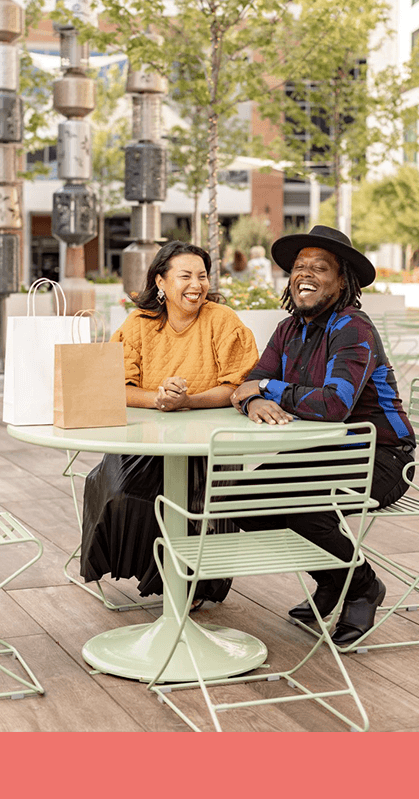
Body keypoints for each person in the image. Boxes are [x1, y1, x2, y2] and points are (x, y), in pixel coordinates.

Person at [230, 225, 416, 645]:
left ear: (342, 279)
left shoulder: (353, 327)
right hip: (325, 451)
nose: (304, 274)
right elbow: (250, 382)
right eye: (299, 267)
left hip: (382, 455)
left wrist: (269, 389)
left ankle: (362, 584)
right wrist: (253, 400)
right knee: (243, 502)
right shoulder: (288, 329)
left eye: (319, 268)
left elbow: (334, 405)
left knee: (302, 508)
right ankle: (332, 577)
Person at [80, 241, 259, 605]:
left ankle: (191, 586)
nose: (196, 284)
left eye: (202, 276)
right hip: (149, 438)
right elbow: (117, 385)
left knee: (203, 497)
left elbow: (238, 385)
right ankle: (157, 573)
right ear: (160, 282)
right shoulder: (138, 324)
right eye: (185, 276)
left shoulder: (222, 321)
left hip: (211, 440)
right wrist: (160, 399)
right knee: (117, 488)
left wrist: (188, 402)